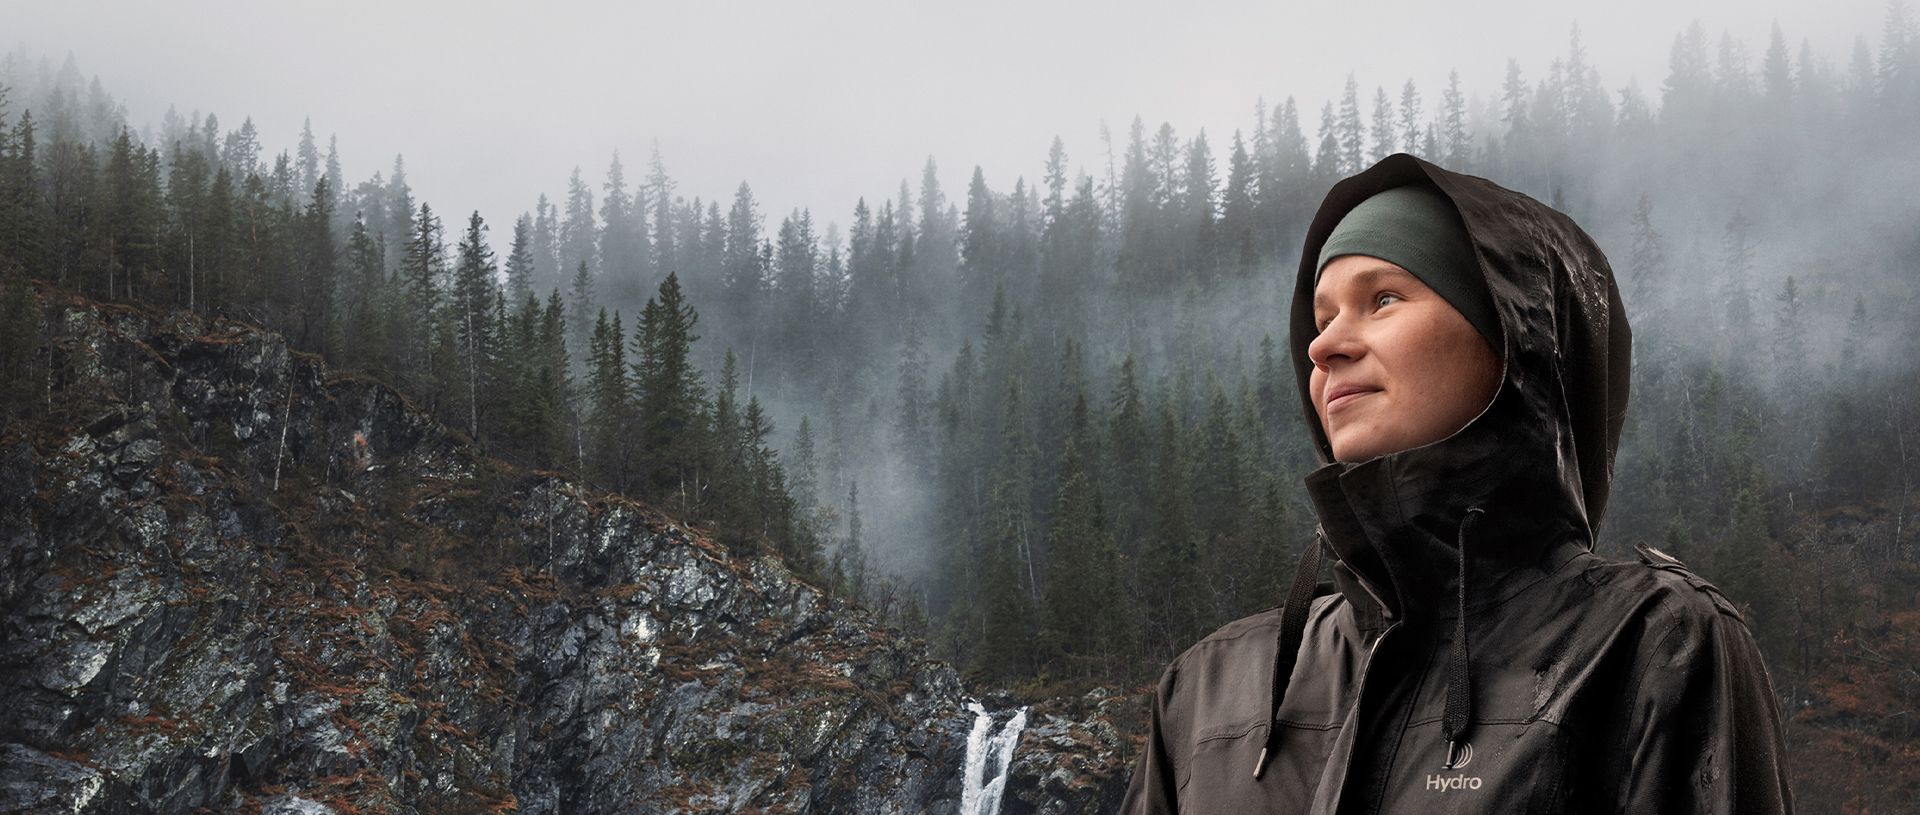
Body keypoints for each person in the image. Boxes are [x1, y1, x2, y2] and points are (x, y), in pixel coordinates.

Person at [1119, 154, 1793, 813]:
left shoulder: (1651, 645)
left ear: (1515, 340)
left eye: (1382, 300)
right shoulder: (1206, 690)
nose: (1323, 348)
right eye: (1322, 321)